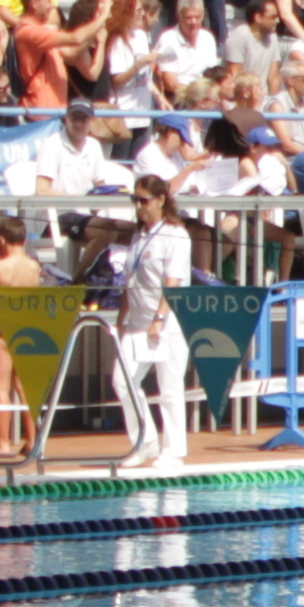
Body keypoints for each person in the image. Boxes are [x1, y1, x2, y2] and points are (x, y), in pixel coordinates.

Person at [107, 173, 198, 471]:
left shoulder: (175, 234)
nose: (139, 206)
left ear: (160, 200)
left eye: (144, 201)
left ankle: (174, 451)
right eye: (135, 200)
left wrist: (159, 319)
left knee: (169, 387)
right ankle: (145, 442)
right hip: (138, 322)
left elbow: (173, 283)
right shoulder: (139, 237)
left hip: (168, 322)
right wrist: (123, 317)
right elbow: (130, 281)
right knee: (123, 380)